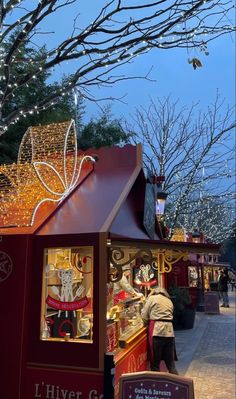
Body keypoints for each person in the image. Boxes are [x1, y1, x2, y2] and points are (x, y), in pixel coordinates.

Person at [141, 287, 178, 374]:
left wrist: (145, 323)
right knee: (171, 365)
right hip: (169, 332)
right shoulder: (169, 301)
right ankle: (178, 385)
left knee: (155, 364)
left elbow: (144, 315)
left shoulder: (152, 298)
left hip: (157, 331)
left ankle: (157, 386)